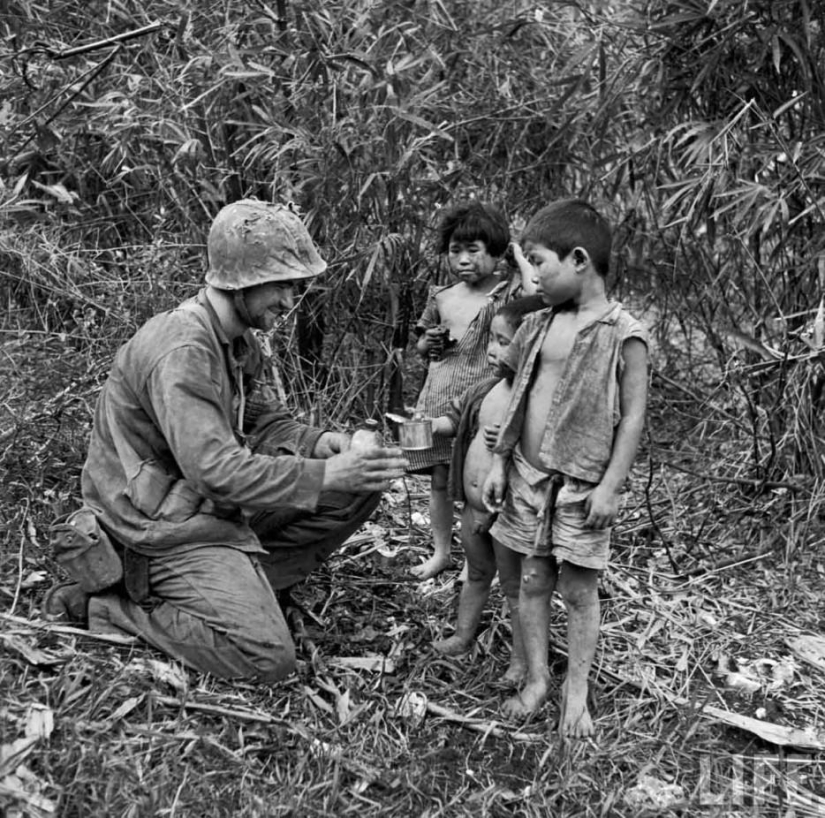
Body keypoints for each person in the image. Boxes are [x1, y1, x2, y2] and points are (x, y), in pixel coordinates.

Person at [43, 198, 407, 682]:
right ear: (242, 282)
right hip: (155, 528)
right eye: (281, 285)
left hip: (203, 508)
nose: (288, 299)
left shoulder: (235, 341)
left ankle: (246, 590)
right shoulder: (183, 350)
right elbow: (215, 471)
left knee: (355, 488)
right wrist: (324, 474)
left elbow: (261, 420)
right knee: (268, 659)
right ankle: (114, 608)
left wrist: (322, 445)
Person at [482, 199, 649, 738]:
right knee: (532, 581)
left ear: (579, 260)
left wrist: (611, 487)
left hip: (581, 488)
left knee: (578, 590)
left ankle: (576, 696)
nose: (531, 276)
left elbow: (632, 418)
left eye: (538, 262)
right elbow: (514, 394)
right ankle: (537, 681)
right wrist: (499, 461)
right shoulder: (536, 325)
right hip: (527, 479)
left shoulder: (625, 333)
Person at [407, 201, 534, 580]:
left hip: (481, 404)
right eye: (455, 251)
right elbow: (420, 346)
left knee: (473, 482)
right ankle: (441, 551)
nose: (463, 260)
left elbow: (537, 302)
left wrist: (521, 261)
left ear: (496, 253)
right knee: (440, 481)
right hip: (438, 398)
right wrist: (426, 344)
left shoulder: (505, 294)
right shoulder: (441, 296)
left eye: (473, 250)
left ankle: (474, 561)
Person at [429, 296, 545, 681]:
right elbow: (456, 417)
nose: (493, 350)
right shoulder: (486, 389)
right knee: (476, 574)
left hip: (506, 515)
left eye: (504, 342)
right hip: (471, 507)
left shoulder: (531, 402)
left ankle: (520, 661)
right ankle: (463, 635)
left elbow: (538, 458)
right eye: (492, 340)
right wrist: (428, 427)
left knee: (516, 589)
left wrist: (511, 441)